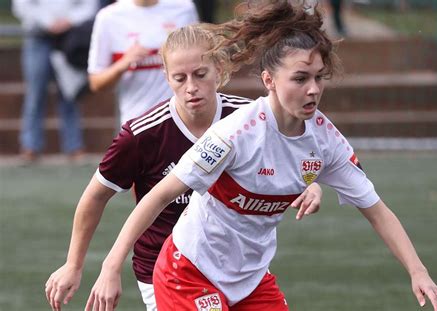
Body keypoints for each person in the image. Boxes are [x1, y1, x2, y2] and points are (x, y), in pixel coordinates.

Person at [83, 2, 437, 311]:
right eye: (300, 78)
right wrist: (111, 266)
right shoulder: (234, 133)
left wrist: (417, 270)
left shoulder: (326, 141)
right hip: (188, 272)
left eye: (319, 78)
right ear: (269, 80)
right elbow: (159, 195)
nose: (313, 89)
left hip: (251, 279)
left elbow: (377, 210)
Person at [45, 24, 323, 311]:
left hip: (240, 268)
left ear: (219, 69)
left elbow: (291, 153)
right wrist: (74, 265)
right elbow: (95, 196)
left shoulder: (250, 119)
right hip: (168, 271)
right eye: (179, 78)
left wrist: (310, 184)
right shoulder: (143, 135)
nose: (191, 87)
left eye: (200, 74)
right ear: (166, 78)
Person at [87, 0, 199, 126]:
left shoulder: (184, 8)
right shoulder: (108, 16)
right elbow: (95, 82)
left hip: (183, 122)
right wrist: (123, 63)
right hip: (137, 125)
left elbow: (201, 60)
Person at [12, 0, 98, 162]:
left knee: (70, 93)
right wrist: (48, 22)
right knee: (35, 94)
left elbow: (89, 5)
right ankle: (30, 146)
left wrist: (69, 20)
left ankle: (74, 147)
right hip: (37, 36)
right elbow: (21, 5)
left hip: (70, 38)